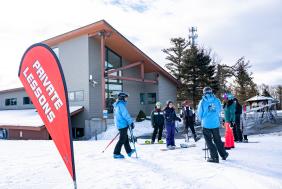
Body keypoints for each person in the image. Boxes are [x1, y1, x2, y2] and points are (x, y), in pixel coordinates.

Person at [197, 87, 229, 163]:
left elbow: (199, 113)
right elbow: (219, 110)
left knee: (209, 141)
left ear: (204, 93)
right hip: (215, 123)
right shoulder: (217, 100)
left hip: (206, 124)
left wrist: (201, 119)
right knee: (217, 139)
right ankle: (223, 154)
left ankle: (214, 157)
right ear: (211, 92)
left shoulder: (202, 102)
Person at [112, 92, 136, 159]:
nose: (126, 99)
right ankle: (116, 153)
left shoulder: (118, 105)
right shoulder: (121, 105)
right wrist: (131, 122)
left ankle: (129, 151)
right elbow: (125, 115)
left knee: (125, 138)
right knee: (122, 139)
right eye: (126, 97)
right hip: (122, 124)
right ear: (122, 98)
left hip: (121, 124)